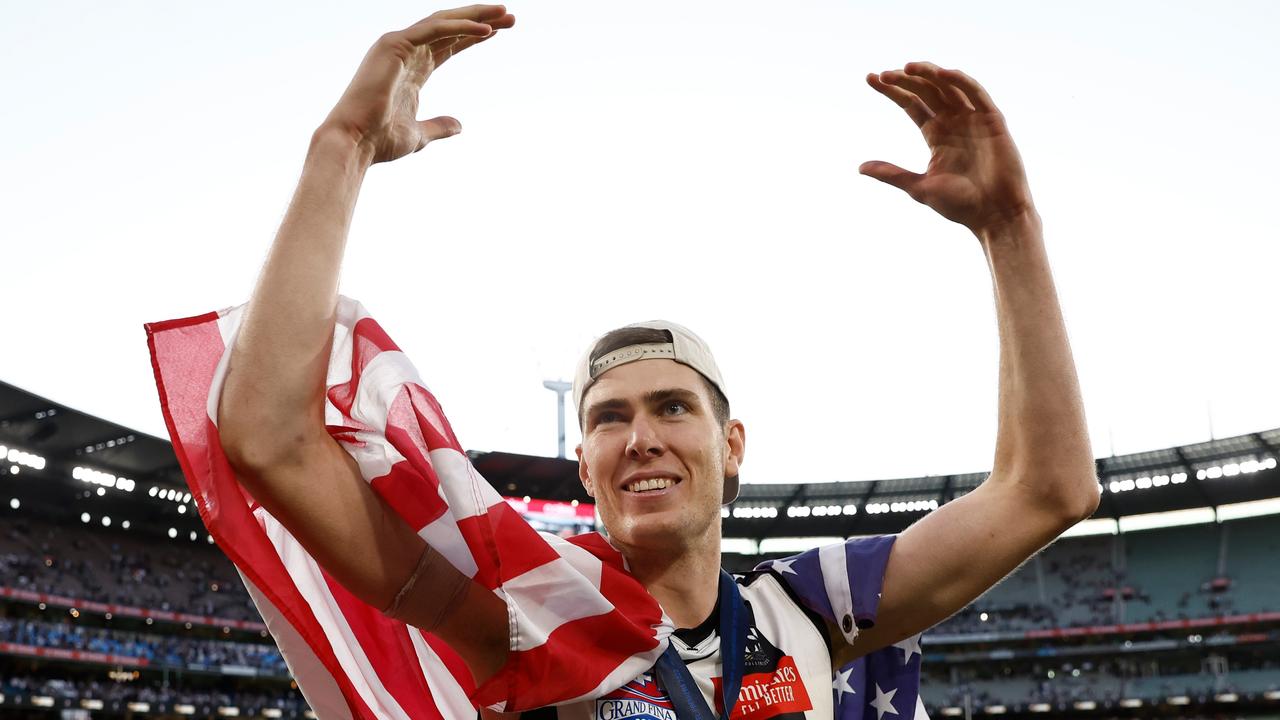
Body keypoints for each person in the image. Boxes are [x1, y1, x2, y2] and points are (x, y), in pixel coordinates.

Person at [214, 4, 1100, 719]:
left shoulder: (814, 610)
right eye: (609, 417)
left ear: (734, 444)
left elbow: (1049, 490)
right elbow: (267, 440)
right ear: (584, 466)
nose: (641, 437)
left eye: (673, 407)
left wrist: (1009, 228)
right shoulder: (529, 612)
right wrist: (345, 147)